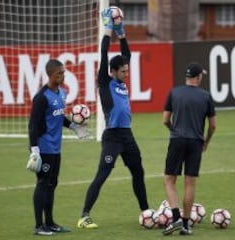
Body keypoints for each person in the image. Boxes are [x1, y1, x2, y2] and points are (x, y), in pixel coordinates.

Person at [77, 8, 149, 229]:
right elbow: (104, 53)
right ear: (113, 71)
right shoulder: (105, 82)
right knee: (102, 175)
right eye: (123, 71)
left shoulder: (121, 81)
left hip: (127, 135)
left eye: (127, 70)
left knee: (138, 171)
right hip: (112, 137)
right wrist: (109, 29)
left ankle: (146, 211)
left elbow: (125, 54)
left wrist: (122, 33)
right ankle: (84, 216)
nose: (127, 73)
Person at [27, 59, 90, 236]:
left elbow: (59, 117)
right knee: (42, 183)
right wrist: (34, 151)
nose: (62, 76)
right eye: (58, 74)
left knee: (52, 184)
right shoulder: (42, 97)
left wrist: (75, 127)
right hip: (43, 149)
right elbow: (33, 125)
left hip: (56, 149)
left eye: (63, 73)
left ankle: (50, 222)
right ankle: (39, 226)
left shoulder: (62, 93)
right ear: (50, 75)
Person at [162, 62, 217, 235]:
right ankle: (185, 225)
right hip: (195, 142)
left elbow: (165, 119)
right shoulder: (206, 96)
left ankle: (176, 217)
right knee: (190, 182)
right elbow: (213, 125)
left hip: (177, 140)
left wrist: (174, 131)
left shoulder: (174, 92)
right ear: (198, 77)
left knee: (170, 180)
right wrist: (206, 141)